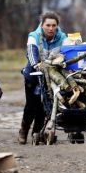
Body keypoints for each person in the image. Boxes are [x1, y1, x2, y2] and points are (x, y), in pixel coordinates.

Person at [18, 11, 69, 144]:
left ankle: (37, 132)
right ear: (42, 25)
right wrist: (36, 64)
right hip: (33, 75)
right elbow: (31, 52)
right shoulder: (34, 36)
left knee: (44, 105)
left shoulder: (62, 37)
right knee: (31, 105)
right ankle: (23, 130)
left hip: (51, 76)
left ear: (57, 26)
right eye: (48, 25)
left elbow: (68, 52)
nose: (51, 28)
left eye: (53, 25)